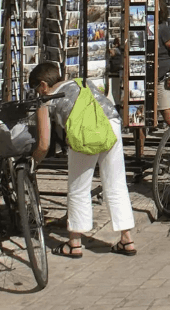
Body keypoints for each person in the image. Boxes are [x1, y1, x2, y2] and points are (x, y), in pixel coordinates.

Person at [30, 61, 136, 257]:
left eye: (36, 89)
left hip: (84, 133)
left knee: (79, 187)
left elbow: (44, 144)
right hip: (110, 124)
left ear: (43, 85)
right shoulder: (82, 81)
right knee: (116, 183)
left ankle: (75, 243)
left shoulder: (46, 101)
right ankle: (126, 239)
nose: (37, 93)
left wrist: (34, 162)